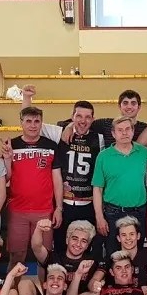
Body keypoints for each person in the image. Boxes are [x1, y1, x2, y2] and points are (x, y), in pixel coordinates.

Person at [3, 106, 61, 268]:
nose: (33, 125)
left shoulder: (51, 145)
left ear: (42, 123)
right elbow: (6, 178)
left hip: (44, 211)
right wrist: (7, 159)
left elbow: (57, 179)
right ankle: (12, 292)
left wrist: (59, 208)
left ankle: (45, 294)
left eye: (37, 121)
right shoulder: (11, 145)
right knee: (16, 256)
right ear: (21, 123)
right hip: (17, 210)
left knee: (44, 257)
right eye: (28, 121)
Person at [93, 116, 147, 254]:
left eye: (128, 129)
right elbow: (97, 189)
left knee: (138, 255)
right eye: (120, 130)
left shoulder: (144, 153)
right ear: (113, 134)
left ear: (133, 131)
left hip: (139, 212)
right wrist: (99, 217)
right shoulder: (103, 156)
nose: (124, 133)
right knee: (113, 253)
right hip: (113, 213)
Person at [52, 101, 104, 254]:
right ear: (72, 117)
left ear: (93, 119)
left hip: (88, 203)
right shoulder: (59, 133)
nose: (83, 120)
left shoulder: (99, 138)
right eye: (79, 116)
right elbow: (33, 127)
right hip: (65, 203)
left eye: (88, 117)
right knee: (61, 246)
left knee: (88, 248)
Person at [26, 219, 99, 294]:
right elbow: (36, 247)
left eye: (83, 241)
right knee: (25, 284)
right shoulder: (54, 257)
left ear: (87, 245)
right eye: (75, 239)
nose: (78, 244)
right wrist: (39, 229)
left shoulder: (91, 262)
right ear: (67, 239)